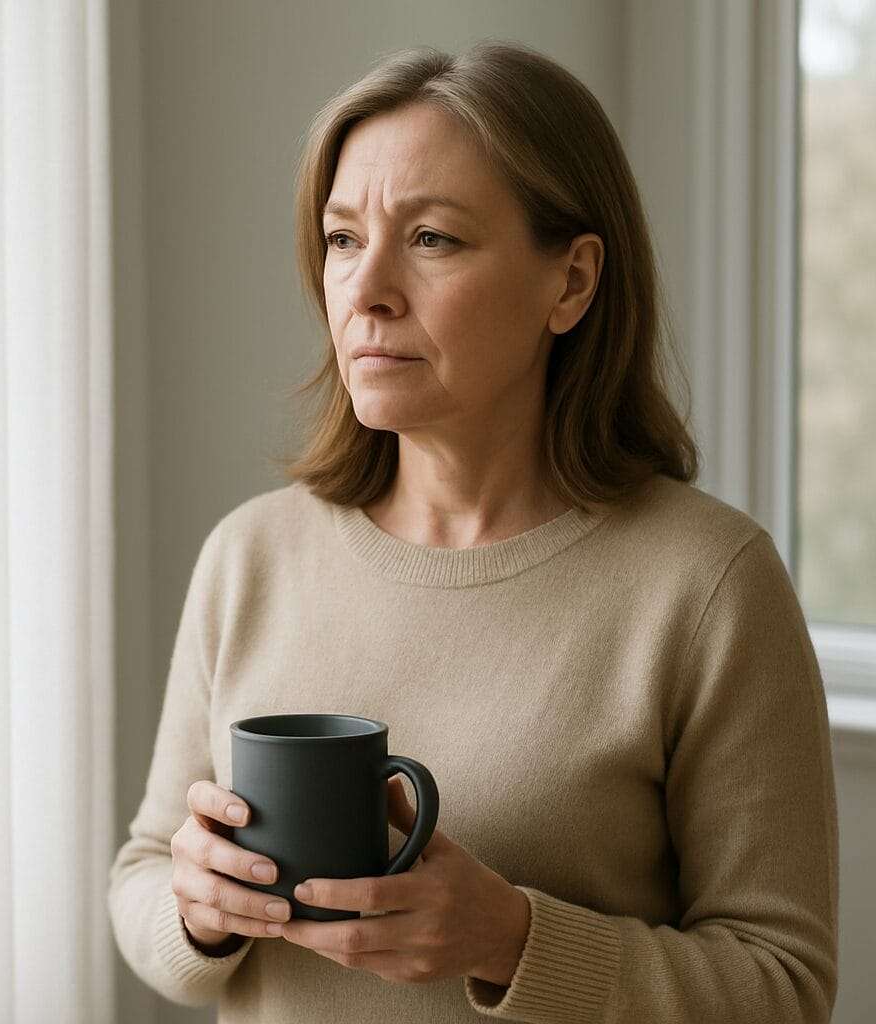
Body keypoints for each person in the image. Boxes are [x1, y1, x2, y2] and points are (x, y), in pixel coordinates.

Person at [107, 39, 839, 1024]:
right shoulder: (252, 556)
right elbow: (146, 873)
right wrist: (196, 910)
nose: (364, 291)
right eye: (340, 239)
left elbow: (783, 988)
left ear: (570, 283)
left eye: (432, 238)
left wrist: (510, 939)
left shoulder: (705, 583)